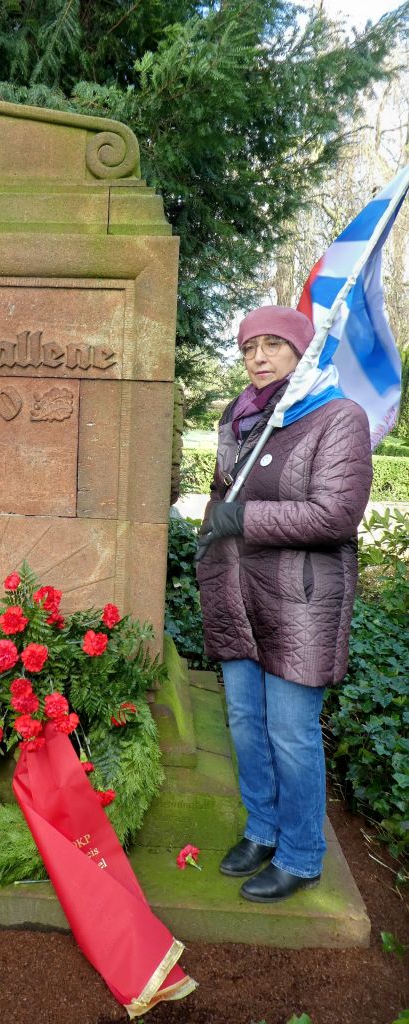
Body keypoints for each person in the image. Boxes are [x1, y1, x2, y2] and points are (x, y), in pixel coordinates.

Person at [195, 305, 373, 903]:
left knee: (292, 734)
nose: (259, 358)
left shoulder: (337, 416)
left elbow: (336, 515)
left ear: (302, 353)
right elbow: (222, 499)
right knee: (246, 724)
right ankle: (262, 829)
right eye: (249, 348)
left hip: (299, 603)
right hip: (237, 597)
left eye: (273, 346)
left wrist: (242, 517)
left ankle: (301, 855)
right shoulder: (242, 417)